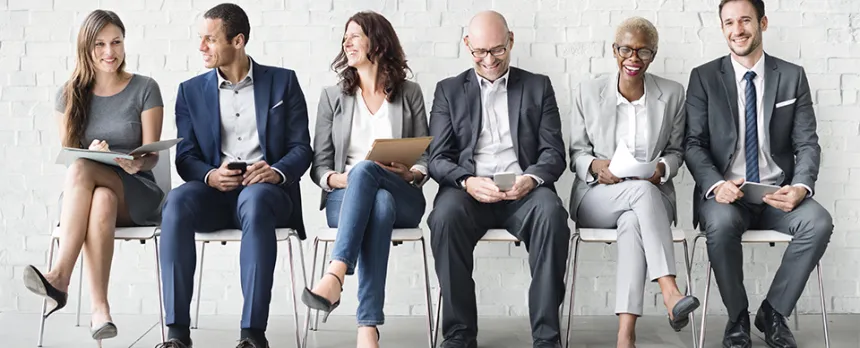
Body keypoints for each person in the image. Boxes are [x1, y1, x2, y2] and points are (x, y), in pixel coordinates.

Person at [155, 3, 312, 348]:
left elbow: (302, 149)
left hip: (266, 193)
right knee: (176, 202)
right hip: (214, 193)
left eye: (209, 39)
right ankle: (177, 334)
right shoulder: (190, 91)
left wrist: (275, 172)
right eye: (201, 39)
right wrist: (210, 175)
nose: (202, 47)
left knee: (254, 202)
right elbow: (186, 157)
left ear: (238, 40)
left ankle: (252, 335)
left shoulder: (283, 82)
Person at [684, 1, 833, 347]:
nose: (737, 30)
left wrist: (800, 187)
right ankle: (737, 317)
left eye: (745, 21)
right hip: (727, 196)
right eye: (729, 23)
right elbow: (693, 144)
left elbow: (807, 143)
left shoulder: (791, 76)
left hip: (777, 195)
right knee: (719, 226)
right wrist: (715, 185)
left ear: (762, 22)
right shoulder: (704, 77)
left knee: (819, 222)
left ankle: (774, 312)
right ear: (722, 29)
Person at [426, 10, 570, 348]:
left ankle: (546, 337)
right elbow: (438, 158)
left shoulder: (538, 86)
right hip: (469, 190)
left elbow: (553, 153)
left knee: (552, 215)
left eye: (498, 50)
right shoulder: (448, 91)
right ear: (467, 45)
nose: (489, 60)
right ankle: (459, 334)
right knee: (443, 218)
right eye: (480, 52)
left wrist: (531, 178)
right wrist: (467, 181)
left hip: (524, 191)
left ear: (511, 41)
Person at [22, 9, 165, 345]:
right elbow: (70, 155)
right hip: (89, 197)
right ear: (85, 48)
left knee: (85, 171)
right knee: (100, 197)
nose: (109, 52)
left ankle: (59, 277)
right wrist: (92, 150)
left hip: (138, 193)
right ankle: (100, 310)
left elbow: (152, 154)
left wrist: (134, 162)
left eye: (116, 42)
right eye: (99, 44)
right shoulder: (69, 94)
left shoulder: (145, 88)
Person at [568, 17, 699, 348]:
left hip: (650, 198)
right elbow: (576, 154)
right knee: (638, 194)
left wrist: (663, 169)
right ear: (614, 50)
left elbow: (675, 151)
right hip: (598, 197)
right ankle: (670, 291)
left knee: (631, 223)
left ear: (653, 55)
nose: (633, 58)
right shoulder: (588, 91)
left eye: (643, 51)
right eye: (625, 49)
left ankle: (625, 336)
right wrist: (597, 165)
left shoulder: (671, 94)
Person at [301, 11, 429, 348]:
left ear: (378, 41)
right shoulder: (333, 97)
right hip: (345, 198)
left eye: (355, 35)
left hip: (403, 193)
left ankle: (335, 275)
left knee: (373, 179)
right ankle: (367, 329)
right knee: (376, 199)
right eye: (345, 36)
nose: (347, 42)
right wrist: (337, 179)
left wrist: (412, 172)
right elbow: (320, 165)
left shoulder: (410, 93)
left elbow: (426, 156)